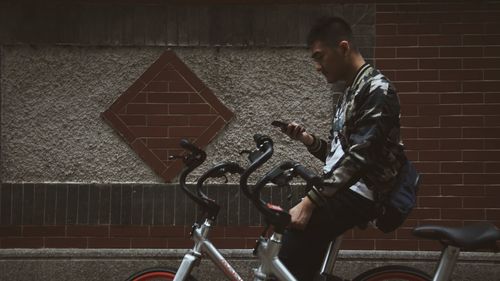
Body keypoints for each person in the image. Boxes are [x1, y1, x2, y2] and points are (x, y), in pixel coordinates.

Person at [277, 16, 407, 280]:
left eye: (319, 56)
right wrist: (307, 140)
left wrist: (310, 201)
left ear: (344, 48)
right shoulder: (350, 92)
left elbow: (360, 157)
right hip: (343, 188)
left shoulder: (377, 89)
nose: (317, 67)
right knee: (297, 263)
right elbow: (340, 156)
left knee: (291, 248)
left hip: (362, 192)